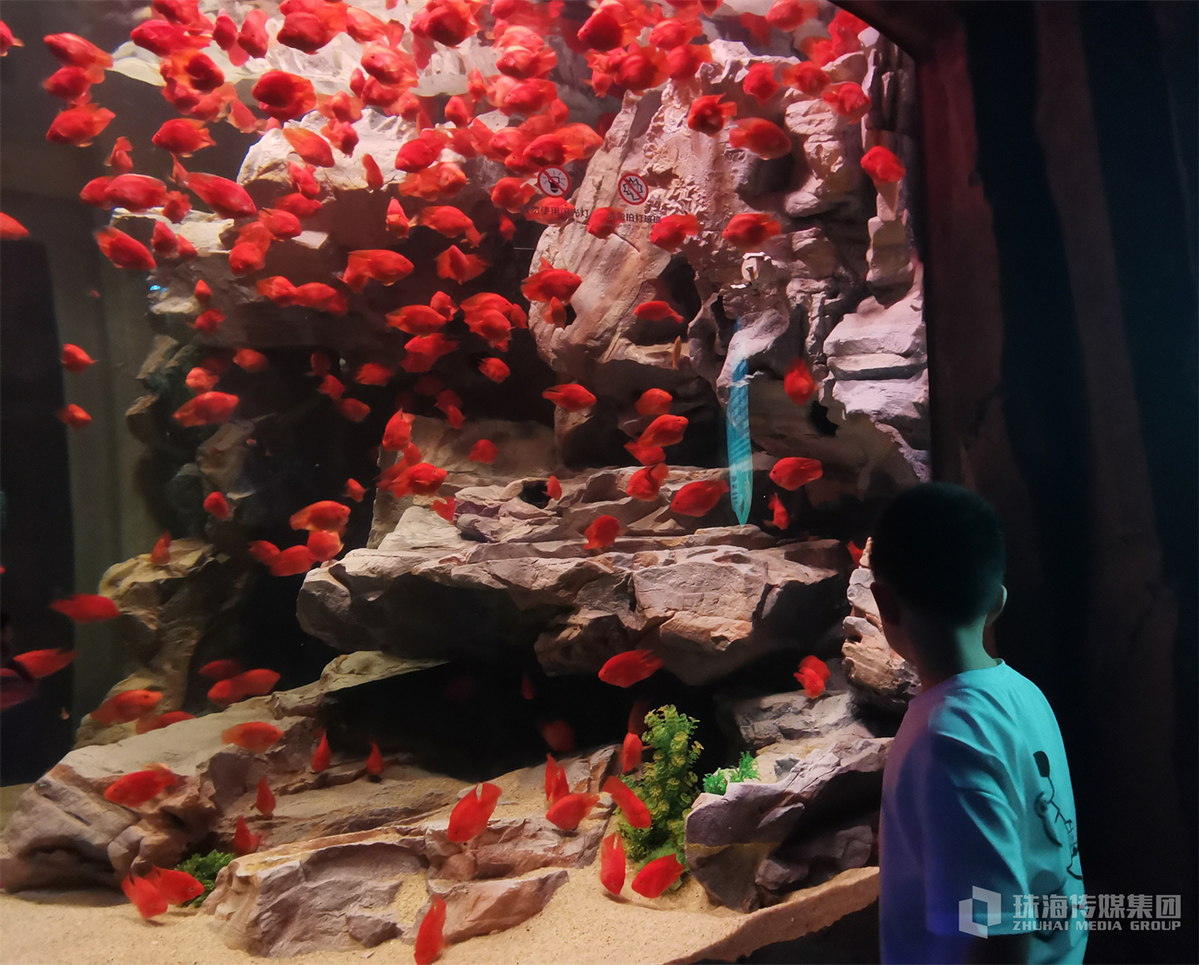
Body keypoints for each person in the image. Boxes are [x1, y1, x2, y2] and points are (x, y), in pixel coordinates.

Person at [870, 483, 1086, 965]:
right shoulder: (1024, 695)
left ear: (884, 604)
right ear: (998, 601)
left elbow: (998, 935)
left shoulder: (947, 741)